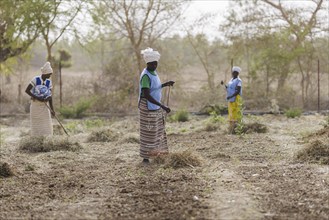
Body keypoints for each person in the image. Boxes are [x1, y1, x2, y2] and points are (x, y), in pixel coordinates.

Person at [138, 48, 175, 164]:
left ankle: (159, 154)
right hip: (148, 106)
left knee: (158, 131)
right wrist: (163, 106)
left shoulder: (154, 73)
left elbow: (154, 87)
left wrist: (165, 84)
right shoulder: (145, 76)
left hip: (155, 106)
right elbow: (146, 95)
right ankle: (146, 157)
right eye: (152, 64)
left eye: (155, 63)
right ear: (147, 63)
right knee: (149, 132)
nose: (154, 65)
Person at [25, 61, 55, 136]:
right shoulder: (36, 79)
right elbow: (27, 90)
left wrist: (52, 109)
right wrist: (37, 97)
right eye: (49, 74)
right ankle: (36, 140)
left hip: (45, 107)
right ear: (45, 73)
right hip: (35, 106)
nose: (49, 76)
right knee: (36, 126)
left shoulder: (49, 82)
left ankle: (46, 140)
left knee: (46, 125)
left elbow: (50, 96)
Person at [221, 66, 243, 134]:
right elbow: (228, 88)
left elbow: (237, 91)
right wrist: (223, 84)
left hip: (236, 99)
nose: (234, 73)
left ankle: (237, 128)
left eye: (236, 72)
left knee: (236, 112)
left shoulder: (239, 81)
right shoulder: (231, 80)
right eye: (233, 72)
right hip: (230, 99)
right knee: (231, 112)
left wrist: (231, 96)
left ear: (238, 73)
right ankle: (231, 128)